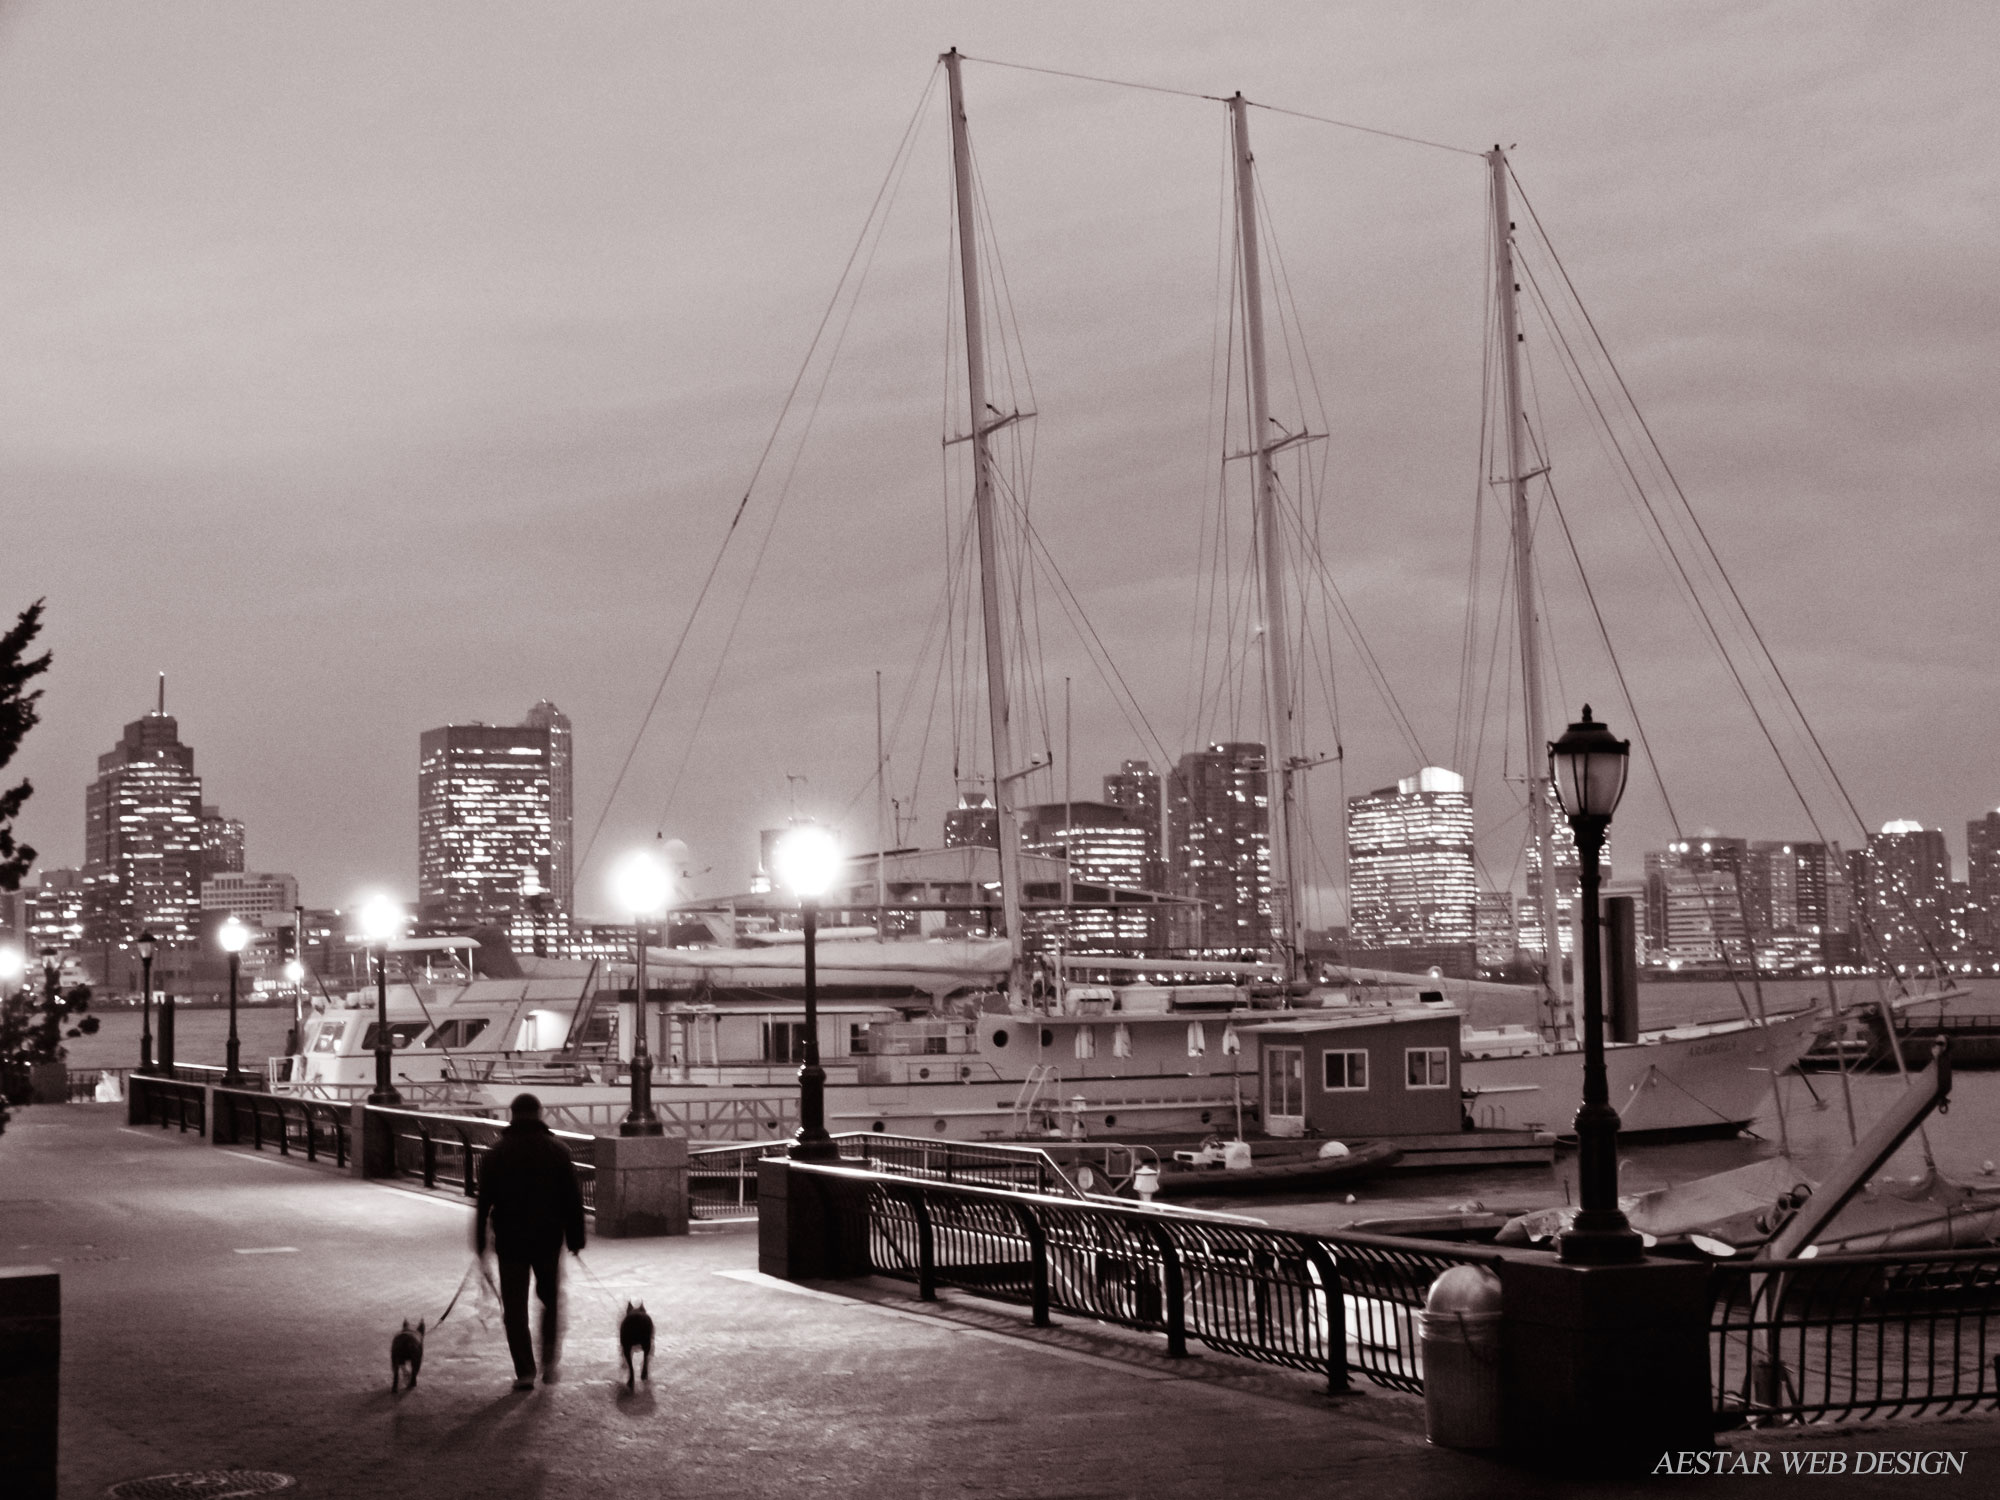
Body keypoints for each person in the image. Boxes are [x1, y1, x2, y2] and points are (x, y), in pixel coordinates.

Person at [475, 1092, 587, 1390]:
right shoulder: (559, 1151)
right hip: (548, 1239)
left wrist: (480, 1244)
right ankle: (549, 1361)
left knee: (514, 1308)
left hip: (510, 1241)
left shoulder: (496, 1153)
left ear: (512, 1115)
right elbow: (573, 1200)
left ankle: (525, 1371)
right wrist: (576, 1238)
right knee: (550, 1300)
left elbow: (484, 1203)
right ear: (539, 1115)